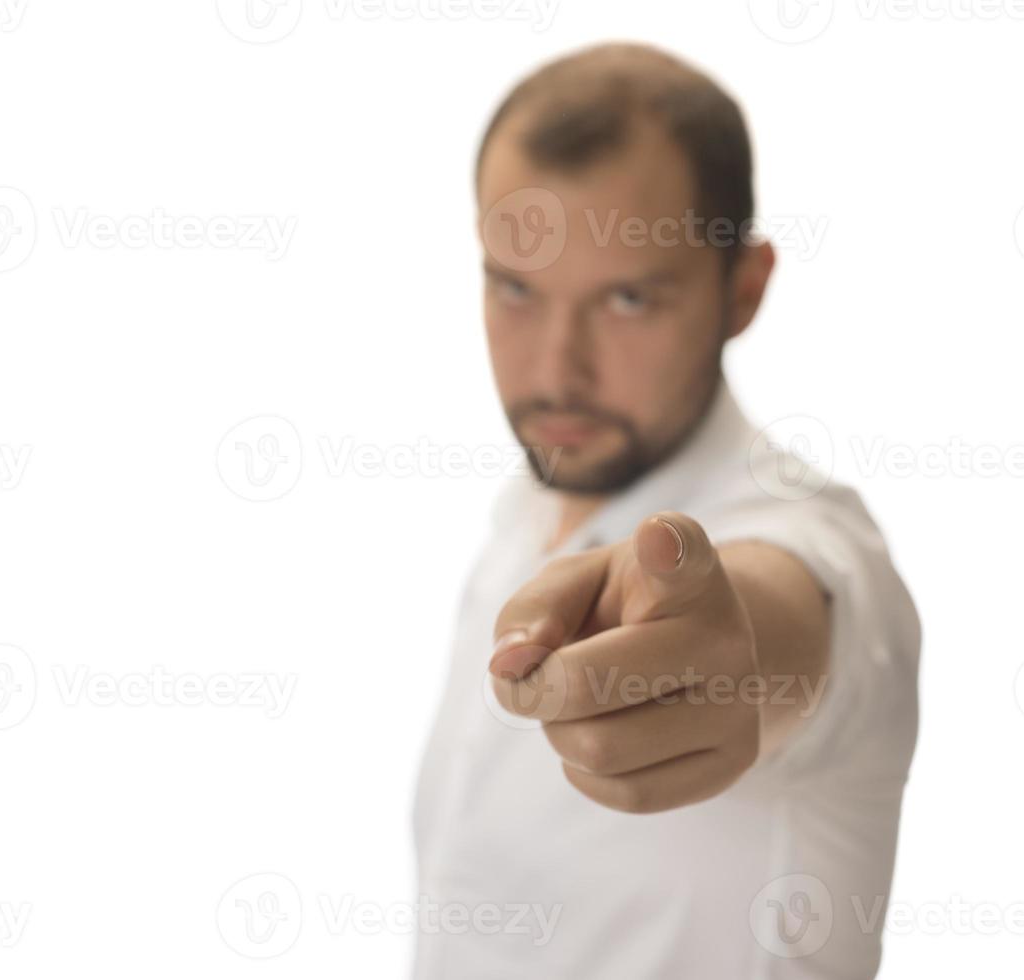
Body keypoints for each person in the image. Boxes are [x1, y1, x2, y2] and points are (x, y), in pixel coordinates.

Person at [412, 41, 920, 979]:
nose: (556, 366)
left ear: (745, 289)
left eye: (629, 297)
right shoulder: (521, 515)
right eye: (515, 288)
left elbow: (778, 619)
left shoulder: (814, 545)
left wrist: (718, 660)